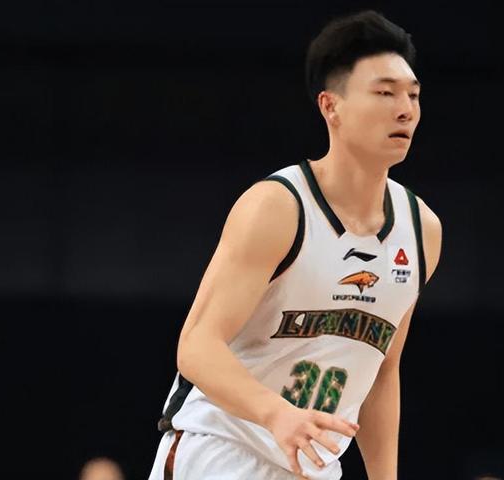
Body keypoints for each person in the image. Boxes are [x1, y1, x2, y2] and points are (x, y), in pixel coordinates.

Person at [148, 9, 442, 480]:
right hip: (222, 449)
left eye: (413, 94)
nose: (405, 109)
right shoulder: (279, 207)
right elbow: (196, 346)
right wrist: (276, 414)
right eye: (385, 93)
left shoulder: (421, 229)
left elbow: (382, 373)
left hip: (312, 464)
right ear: (331, 106)